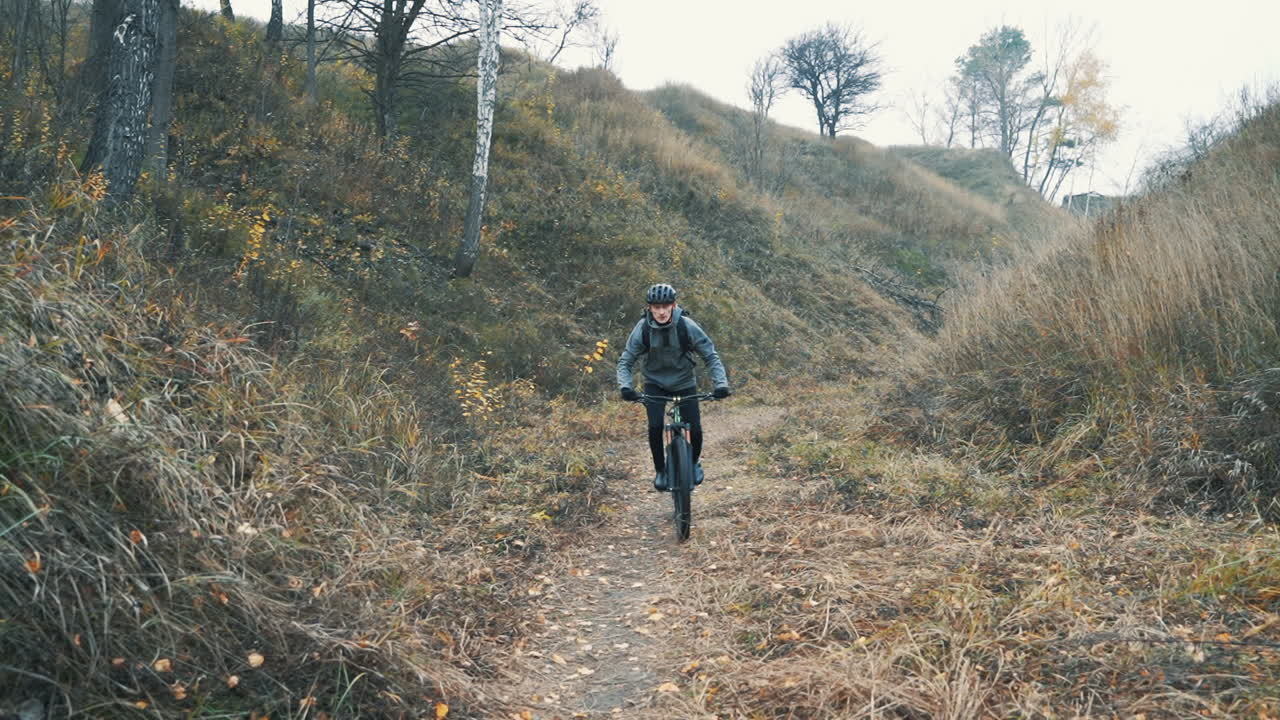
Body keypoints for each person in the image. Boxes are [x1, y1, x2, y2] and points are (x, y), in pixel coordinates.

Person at [616, 283, 730, 491]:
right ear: (649, 308)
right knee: (655, 427)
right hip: (654, 384)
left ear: (673, 305)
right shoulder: (642, 329)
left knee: (694, 428)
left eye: (665, 306)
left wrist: (721, 384)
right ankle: (661, 470)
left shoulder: (687, 326)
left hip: (684, 382)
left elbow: (710, 356)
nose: (661, 311)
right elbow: (626, 361)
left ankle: (693, 462)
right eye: (656, 307)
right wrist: (626, 387)